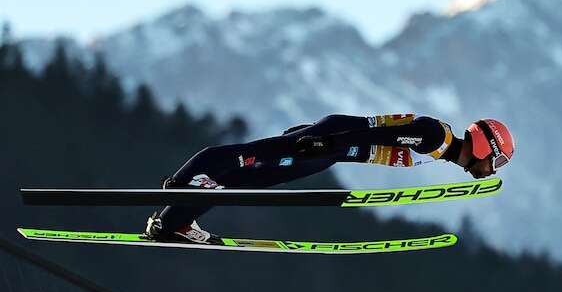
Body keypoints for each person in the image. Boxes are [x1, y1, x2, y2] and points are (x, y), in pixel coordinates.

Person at [143, 114, 515, 244]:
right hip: (328, 144)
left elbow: (373, 141)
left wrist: (330, 144)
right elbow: (372, 135)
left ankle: (172, 222)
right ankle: (184, 180)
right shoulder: (435, 137)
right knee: (250, 156)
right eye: (496, 159)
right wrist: (324, 141)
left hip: (331, 147)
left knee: (244, 181)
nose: (492, 169)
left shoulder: (440, 145)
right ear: (485, 144)